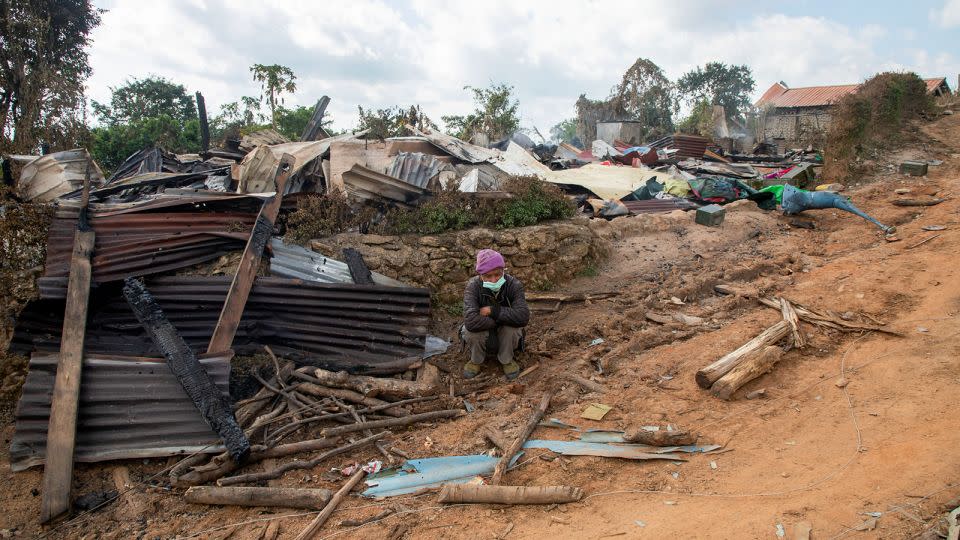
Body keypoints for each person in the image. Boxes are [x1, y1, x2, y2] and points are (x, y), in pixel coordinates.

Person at [462, 249, 529, 380]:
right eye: (488, 276)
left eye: (497, 274)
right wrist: (501, 319)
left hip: (502, 329)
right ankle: (476, 360)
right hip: (485, 328)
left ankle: (506, 360)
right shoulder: (473, 287)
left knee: (511, 329)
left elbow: (523, 316)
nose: (493, 280)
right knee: (470, 332)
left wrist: (493, 311)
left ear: (503, 270)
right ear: (480, 275)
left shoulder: (513, 285)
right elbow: (470, 321)